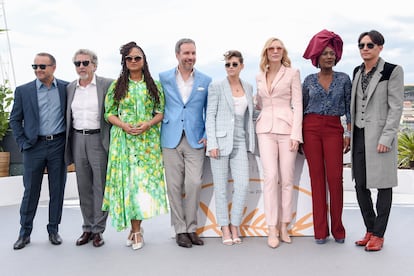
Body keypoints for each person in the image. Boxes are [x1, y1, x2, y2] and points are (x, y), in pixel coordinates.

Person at [102, 42, 168, 250]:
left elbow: (160, 111)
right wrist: (123, 125)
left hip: (147, 144)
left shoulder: (154, 85)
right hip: (124, 142)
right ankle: (137, 231)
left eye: (137, 58)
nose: (133, 61)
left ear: (143, 60)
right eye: (129, 58)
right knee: (129, 186)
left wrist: (148, 123)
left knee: (142, 187)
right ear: (124, 62)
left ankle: (135, 227)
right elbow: (108, 112)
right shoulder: (117, 85)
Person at [351, 30, 404, 252]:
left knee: (383, 185)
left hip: (381, 137)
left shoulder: (392, 71)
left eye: (370, 45)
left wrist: (387, 137)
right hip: (359, 135)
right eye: (361, 45)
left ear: (380, 47)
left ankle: (379, 235)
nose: (365, 48)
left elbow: (396, 107)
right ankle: (370, 229)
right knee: (360, 185)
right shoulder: (356, 71)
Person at [10, 53, 68, 250]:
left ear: (53, 67)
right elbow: (15, 120)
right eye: (35, 66)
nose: (38, 70)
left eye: (42, 66)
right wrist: (23, 143)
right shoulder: (23, 91)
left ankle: (53, 230)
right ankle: (24, 233)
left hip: (58, 145)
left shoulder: (66, 88)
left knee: (57, 190)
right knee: (30, 191)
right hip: (33, 147)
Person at [159, 38, 212, 248]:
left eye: (193, 53)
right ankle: (180, 230)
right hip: (170, 137)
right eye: (186, 53)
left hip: (196, 138)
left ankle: (192, 227)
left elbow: (210, 110)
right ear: (177, 55)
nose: (190, 57)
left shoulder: (205, 80)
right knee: (173, 186)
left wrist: (208, 133)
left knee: (194, 183)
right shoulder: (164, 78)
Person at [302, 29, 351, 244]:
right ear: (317, 57)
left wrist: (347, 133)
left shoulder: (344, 79)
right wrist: (300, 136)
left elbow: (350, 109)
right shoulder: (308, 80)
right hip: (310, 128)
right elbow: (301, 108)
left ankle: (338, 229)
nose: (329, 56)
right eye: (324, 53)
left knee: (335, 179)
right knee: (317, 180)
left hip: (333, 129)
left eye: (332, 53)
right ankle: (320, 231)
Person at [255, 37, 302, 248]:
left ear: (283, 52)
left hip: (287, 130)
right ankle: (271, 228)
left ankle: (284, 224)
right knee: (271, 177)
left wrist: (296, 134)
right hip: (264, 129)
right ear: (266, 52)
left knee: (287, 178)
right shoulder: (259, 75)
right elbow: (259, 102)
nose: (275, 51)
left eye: (279, 48)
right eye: (271, 48)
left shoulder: (293, 73)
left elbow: (298, 105)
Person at [205, 50, 255, 246]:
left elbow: (251, 114)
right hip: (220, 141)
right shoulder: (217, 87)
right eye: (228, 64)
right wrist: (213, 143)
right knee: (221, 188)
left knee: (242, 185)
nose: (231, 67)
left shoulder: (249, 87)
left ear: (242, 66)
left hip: (240, 141)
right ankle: (224, 228)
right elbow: (210, 116)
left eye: (234, 64)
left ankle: (235, 225)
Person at [65, 49, 113, 247]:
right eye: (77, 63)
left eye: (85, 63)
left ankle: (98, 231)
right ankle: (87, 227)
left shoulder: (107, 85)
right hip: (77, 139)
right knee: (83, 187)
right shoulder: (69, 88)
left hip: (98, 140)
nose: (81, 67)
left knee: (100, 187)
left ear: (95, 65)